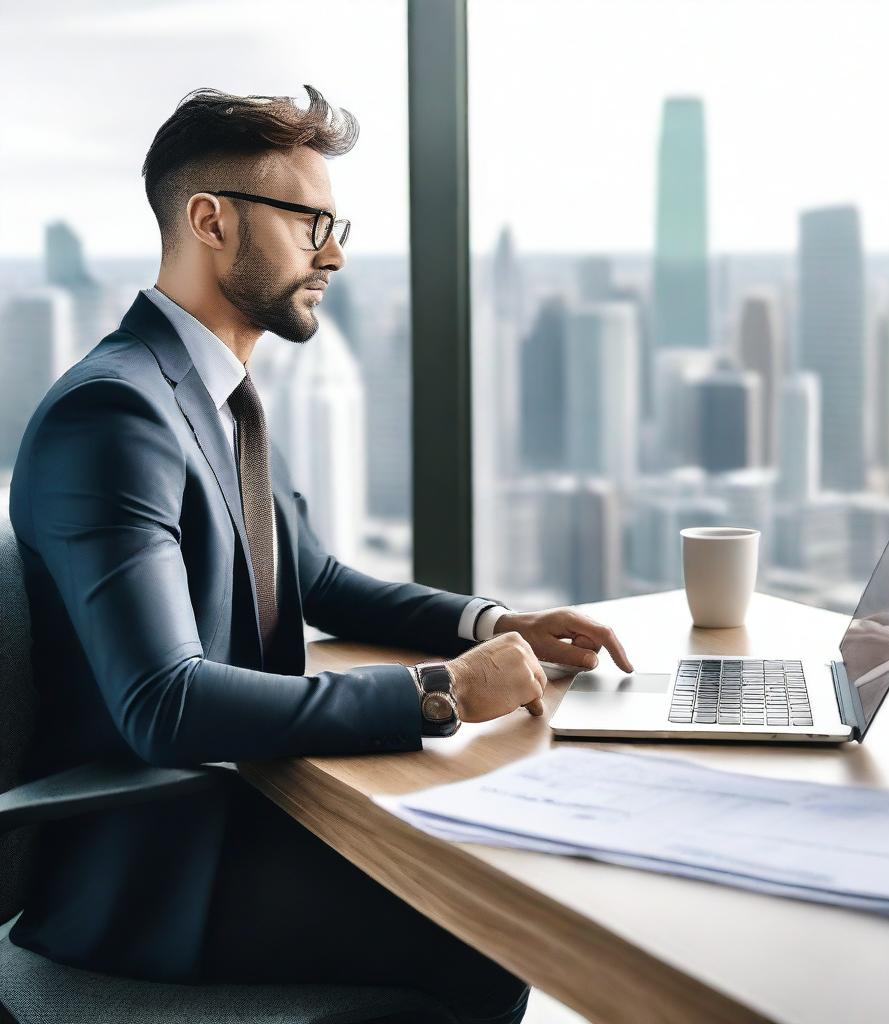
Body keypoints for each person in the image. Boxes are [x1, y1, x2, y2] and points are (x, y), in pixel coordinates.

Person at [6, 84, 633, 1024]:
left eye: (337, 224)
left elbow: (319, 578)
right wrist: (446, 693)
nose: (334, 253)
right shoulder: (116, 412)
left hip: (242, 809)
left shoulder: (217, 393)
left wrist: (498, 623)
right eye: (310, 223)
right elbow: (161, 703)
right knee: (489, 925)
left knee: (508, 863)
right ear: (210, 221)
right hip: (152, 876)